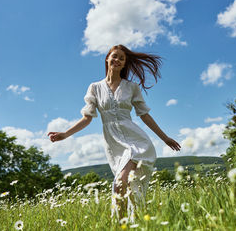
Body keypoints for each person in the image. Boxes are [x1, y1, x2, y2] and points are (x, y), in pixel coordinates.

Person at [47, 44, 181, 221]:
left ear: (125, 64)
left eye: (122, 58)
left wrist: (165, 138)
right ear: (107, 59)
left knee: (120, 183)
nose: (117, 60)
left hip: (137, 142)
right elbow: (87, 118)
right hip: (115, 145)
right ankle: (128, 223)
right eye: (114, 56)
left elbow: (144, 115)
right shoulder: (95, 87)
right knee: (125, 187)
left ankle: (122, 223)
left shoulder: (131, 87)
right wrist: (65, 134)